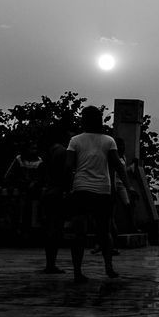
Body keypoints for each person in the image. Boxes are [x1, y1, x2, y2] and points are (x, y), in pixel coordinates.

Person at [67, 106, 127, 282]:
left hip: (81, 190)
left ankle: (77, 272)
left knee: (79, 233)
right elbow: (118, 165)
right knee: (104, 231)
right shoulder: (108, 141)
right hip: (103, 191)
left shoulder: (75, 141)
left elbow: (68, 166)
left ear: (84, 120)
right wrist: (128, 186)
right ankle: (109, 268)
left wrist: (67, 188)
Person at [39, 124, 72, 274]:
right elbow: (65, 173)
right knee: (56, 228)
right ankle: (51, 264)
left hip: (47, 191)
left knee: (49, 228)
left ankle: (49, 263)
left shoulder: (48, 151)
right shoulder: (62, 152)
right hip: (57, 192)